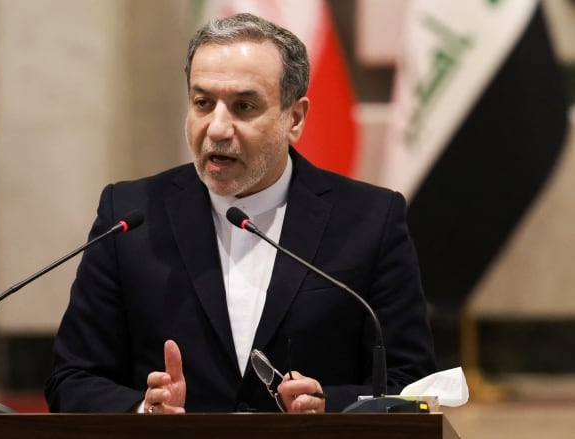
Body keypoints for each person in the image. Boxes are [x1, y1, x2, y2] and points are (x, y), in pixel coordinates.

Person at [45, 12, 435, 414]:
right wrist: (144, 412)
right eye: (202, 103)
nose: (216, 128)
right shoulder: (128, 218)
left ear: (294, 118)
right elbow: (71, 379)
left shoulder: (371, 220)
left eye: (243, 106)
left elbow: (413, 383)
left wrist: (327, 406)